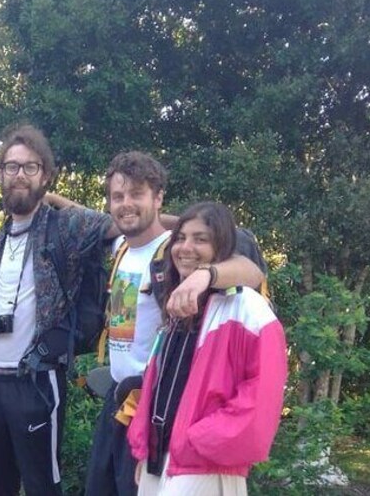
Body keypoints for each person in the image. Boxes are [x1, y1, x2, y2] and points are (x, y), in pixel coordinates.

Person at [44, 152, 266, 496]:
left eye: (137, 195)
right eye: (118, 197)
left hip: (156, 411)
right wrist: (50, 199)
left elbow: (251, 271)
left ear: (158, 198)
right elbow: (91, 216)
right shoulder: (119, 246)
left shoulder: (176, 250)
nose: (126, 204)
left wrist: (204, 277)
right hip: (117, 404)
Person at [128, 202, 287, 496]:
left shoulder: (246, 306)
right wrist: (146, 446)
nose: (186, 247)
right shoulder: (179, 307)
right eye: (180, 238)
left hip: (204, 463)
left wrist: (199, 440)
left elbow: (264, 391)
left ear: (223, 245)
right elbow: (160, 386)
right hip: (160, 457)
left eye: (200, 239)